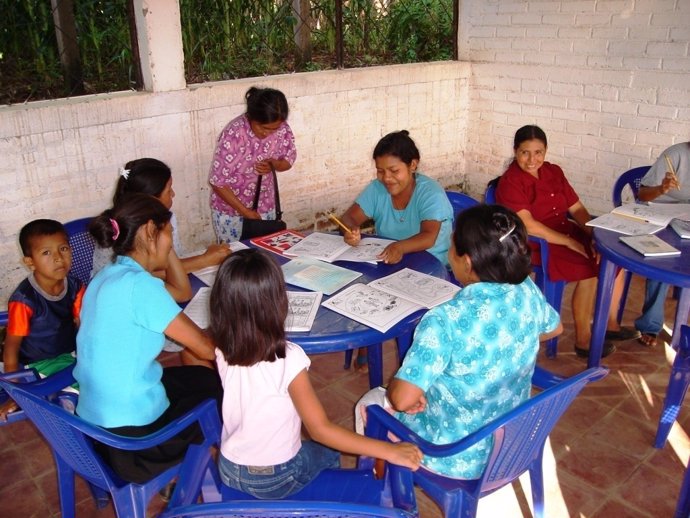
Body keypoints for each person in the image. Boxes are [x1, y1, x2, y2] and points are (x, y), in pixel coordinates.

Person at [356, 204, 562, 478]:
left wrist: (401, 389)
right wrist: (508, 347)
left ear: (467, 262)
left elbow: (403, 400)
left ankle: (381, 485)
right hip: (512, 439)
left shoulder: (445, 320)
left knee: (369, 403)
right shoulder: (525, 287)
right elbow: (555, 327)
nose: (448, 253)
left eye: (451, 246)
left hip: (454, 456)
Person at [207, 248, 422, 499]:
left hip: (230, 467)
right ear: (278, 303)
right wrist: (388, 451)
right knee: (328, 451)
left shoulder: (222, 347)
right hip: (277, 478)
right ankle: (323, 500)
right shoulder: (288, 358)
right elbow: (320, 430)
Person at [73, 194, 222, 483]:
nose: (171, 244)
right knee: (224, 394)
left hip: (95, 429)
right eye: (169, 233)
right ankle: (194, 478)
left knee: (200, 380)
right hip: (137, 445)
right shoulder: (141, 286)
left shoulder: (105, 277)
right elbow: (205, 348)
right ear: (150, 232)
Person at [496, 125, 637, 358]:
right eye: (525, 152)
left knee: (610, 255)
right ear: (515, 151)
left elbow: (577, 208)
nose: (532, 159)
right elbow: (528, 225)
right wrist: (569, 243)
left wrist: (593, 235)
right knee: (589, 269)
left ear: (546, 151)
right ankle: (583, 339)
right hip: (536, 242)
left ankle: (610, 325)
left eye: (538, 152)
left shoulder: (553, 172)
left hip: (564, 230)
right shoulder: (510, 181)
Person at [92, 158, 231, 281]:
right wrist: (204, 260)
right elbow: (149, 273)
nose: (173, 194)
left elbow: (171, 265)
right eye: (169, 190)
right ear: (151, 200)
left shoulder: (166, 218)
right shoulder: (120, 227)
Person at [1, 219, 85, 420]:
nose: (58, 258)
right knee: (70, 390)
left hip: (68, 353)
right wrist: (17, 393)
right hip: (37, 361)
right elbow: (11, 349)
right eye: (46, 253)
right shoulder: (25, 300)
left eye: (63, 248)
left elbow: (82, 325)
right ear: (30, 262)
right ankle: (64, 405)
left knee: (98, 379)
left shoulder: (75, 286)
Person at [339, 130, 454, 266]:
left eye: (394, 171)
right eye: (380, 171)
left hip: (434, 267)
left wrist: (400, 247)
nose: (386, 178)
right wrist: (351, 230)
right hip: (391, 263)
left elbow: (428, 237)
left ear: (412, 165)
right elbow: (348, 218)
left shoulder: (431, 193)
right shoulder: (377, 188)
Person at [208, 87, 297, 243]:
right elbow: (217, 182)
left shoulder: (282, 129)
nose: (267, 133)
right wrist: (245, 212)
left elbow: (288, 160)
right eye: (262, 127)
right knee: (236, 260)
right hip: (231, 212)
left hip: (264, 208)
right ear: (251, 117)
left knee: (265, 257)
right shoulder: (234, 134)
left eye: (273, 129)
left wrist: (274, 165)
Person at [634, 142, 690, 347]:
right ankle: (651, 324)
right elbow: (643, 195)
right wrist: (662, 188)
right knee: (663, 260)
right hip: (661, 217)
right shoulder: (675, 155)